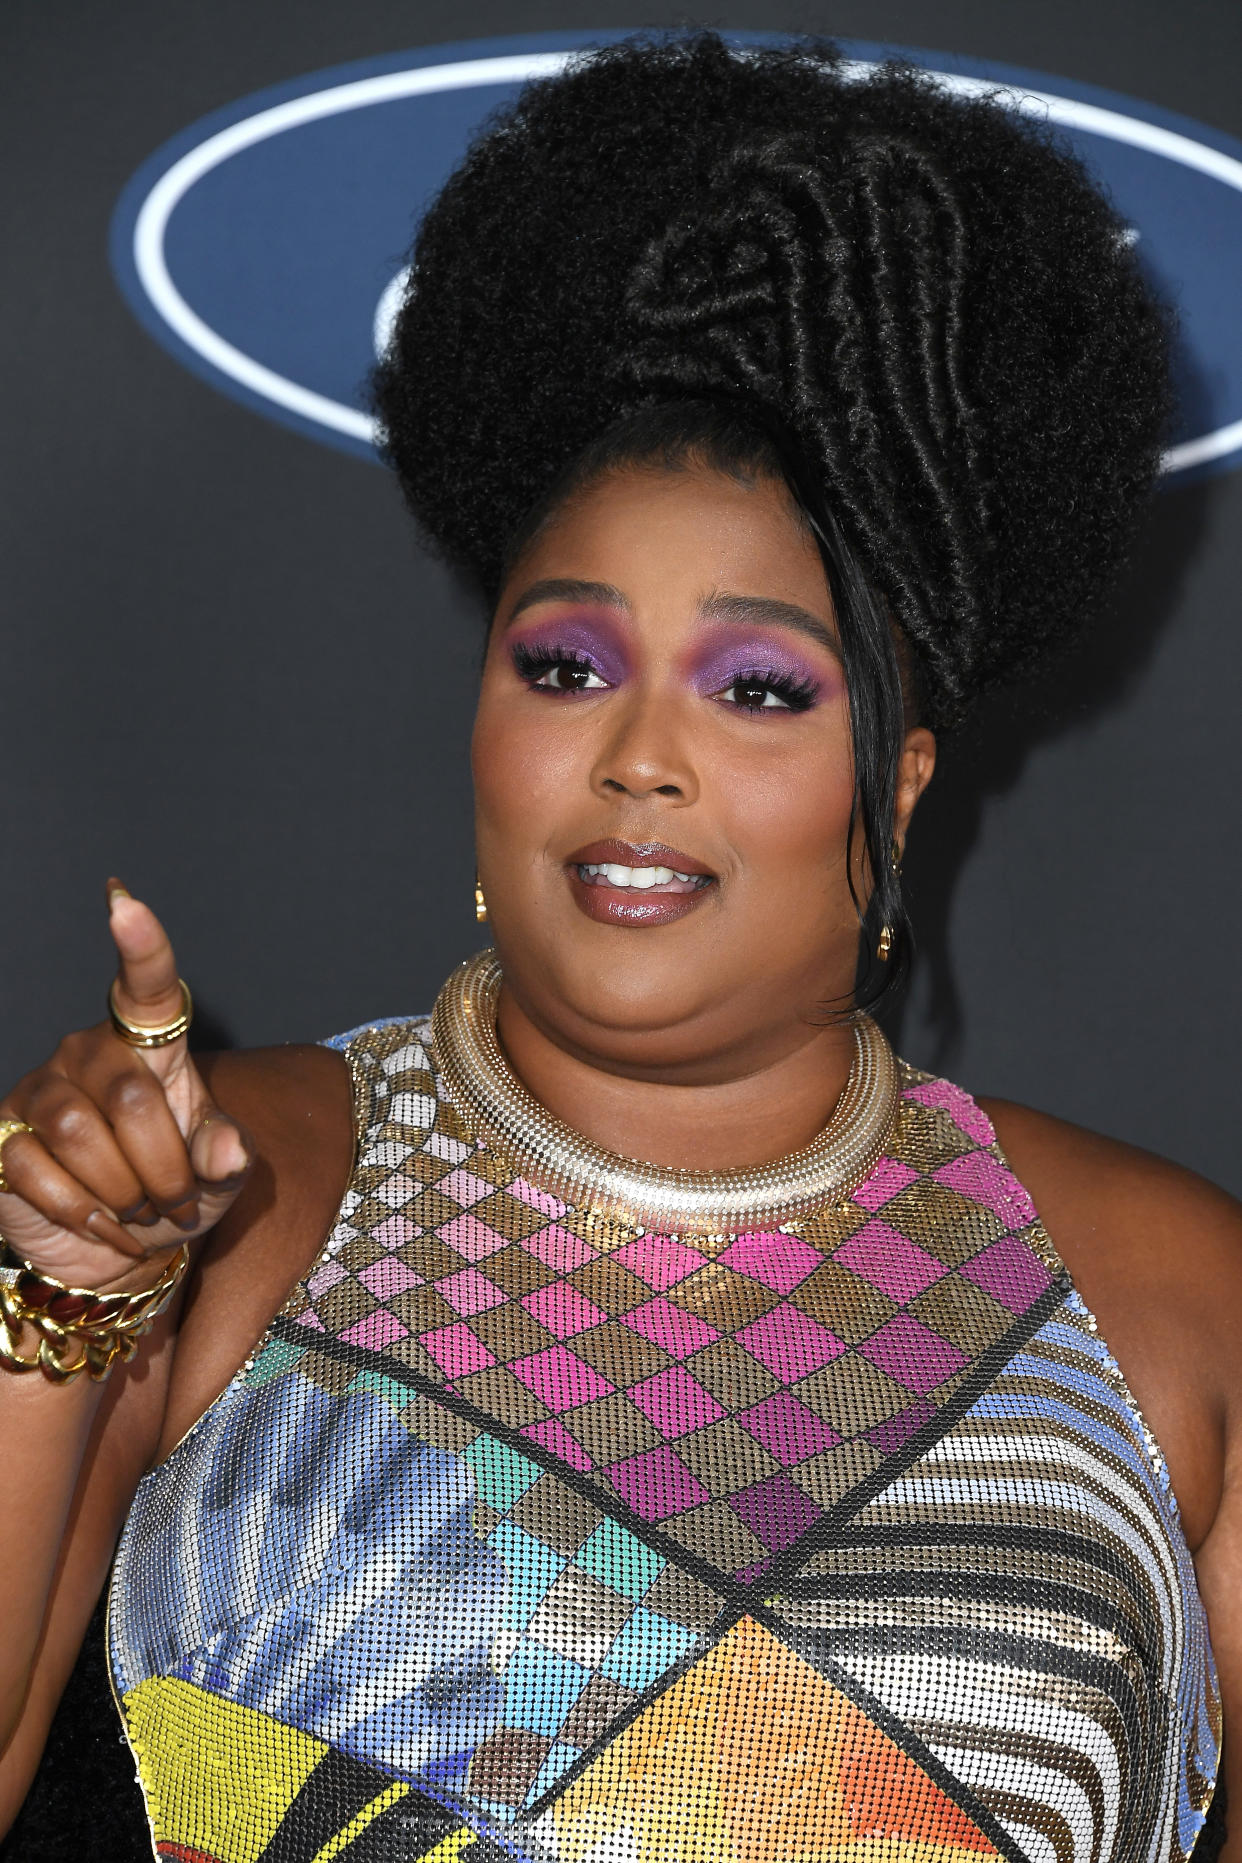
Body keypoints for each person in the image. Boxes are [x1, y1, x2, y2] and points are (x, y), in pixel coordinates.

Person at [0, 30, 1237, 1863]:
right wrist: (55, 1308)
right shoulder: (229, 1196)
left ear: (891, 781)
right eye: (565, 665)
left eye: (755, 688)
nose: (638, 755)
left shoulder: (1172, 1307)